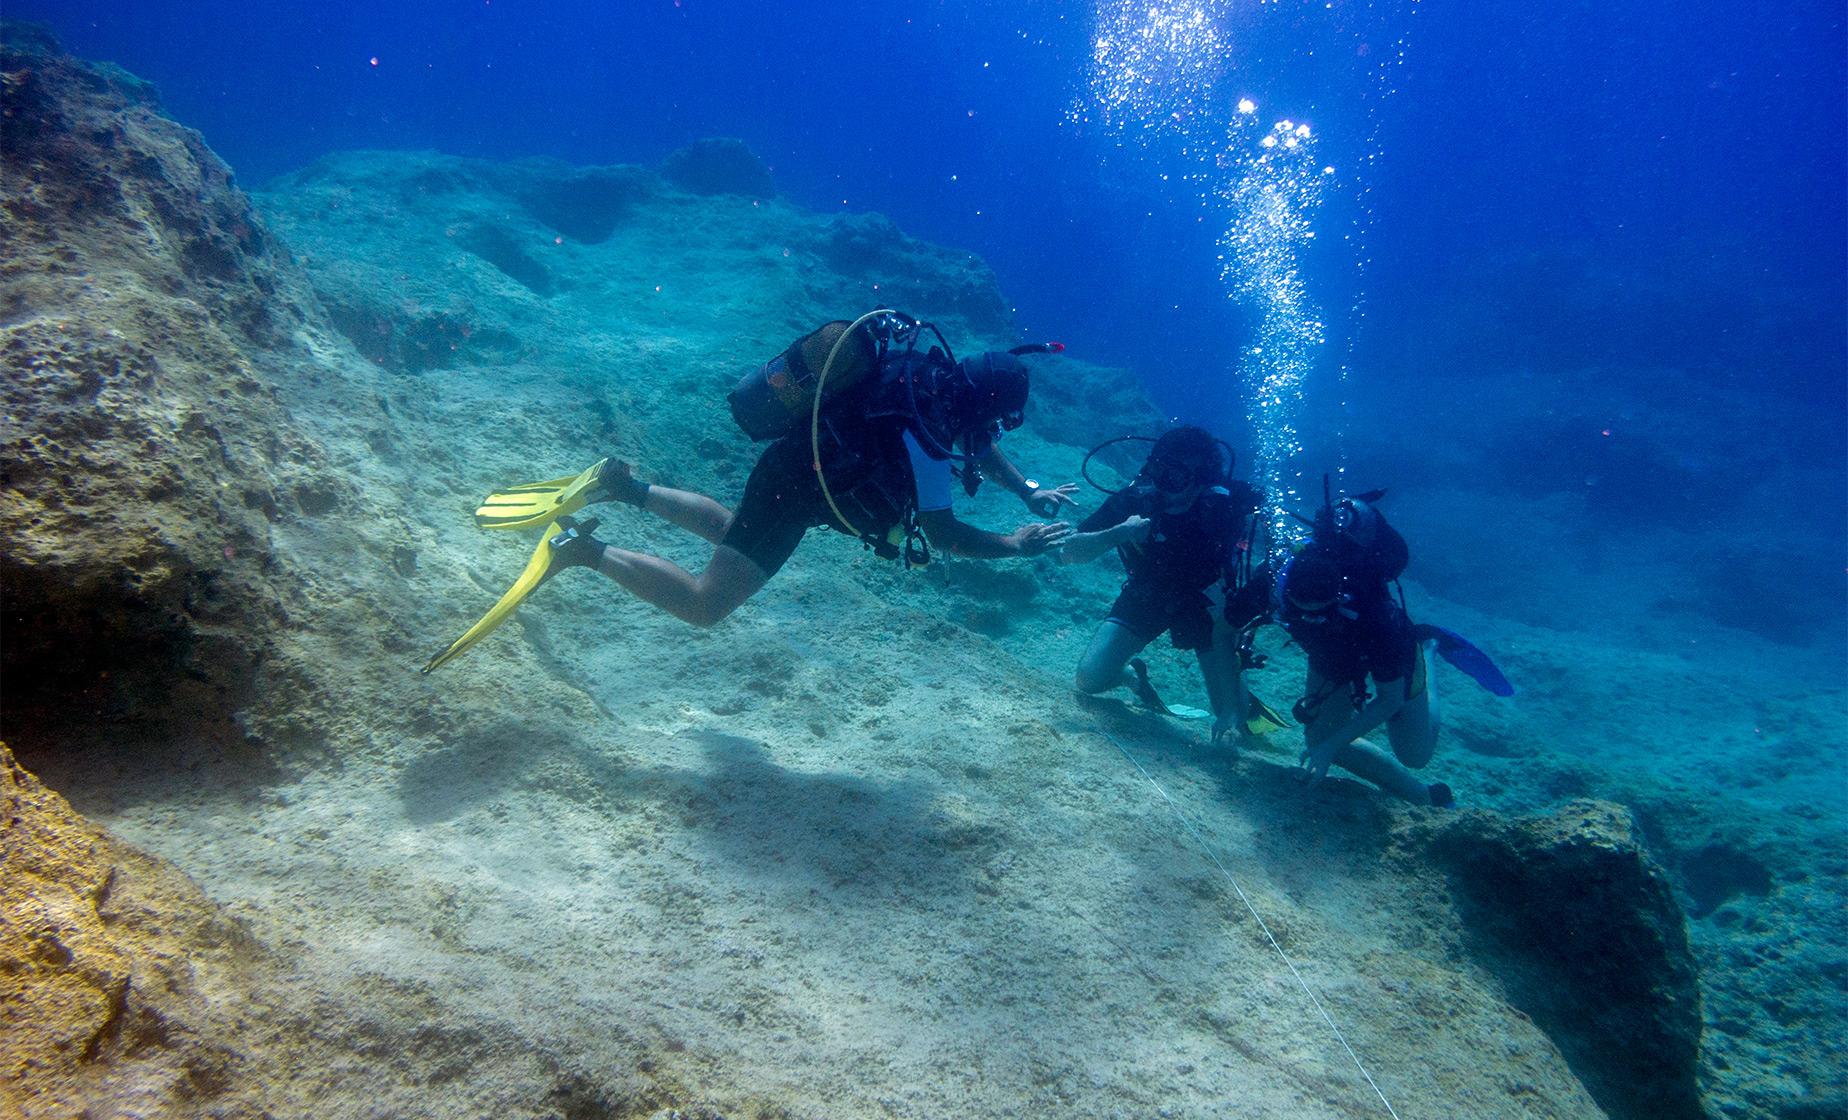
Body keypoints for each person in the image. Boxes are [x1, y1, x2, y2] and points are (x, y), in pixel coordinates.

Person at [424, 316, 1078, 672]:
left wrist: (1025, 490)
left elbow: (978, 443)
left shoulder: (927, 379)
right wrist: (1015, 547)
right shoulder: (931, 436)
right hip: (797, 488)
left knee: (736, 530)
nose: (991, 435)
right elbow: (943, 534)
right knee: (708, 604)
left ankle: (621, 487)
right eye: (994, 419)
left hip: (794, 467)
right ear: (980, 402)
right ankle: (577, 551)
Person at [1056, 426, 1274, 748]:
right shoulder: (1134, 500)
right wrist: (1118, 533)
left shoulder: (1223, 507)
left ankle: (1241, 703)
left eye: (1176, 475)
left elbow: (1264, 557)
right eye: (1158, 468)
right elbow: (1068, 553)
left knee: (1240, 726)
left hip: (1208, 608)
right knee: (1089, 679)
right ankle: (1131, 675)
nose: (1162, 482)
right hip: (1148, 594)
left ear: (1202, 478)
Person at [1275, 499, 1453, 807]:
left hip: (1387, 649)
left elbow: (1389, 700)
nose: (1309, 620)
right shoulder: (1280, 583)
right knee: (1319, 738)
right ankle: (1425, 797)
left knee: (1415, 755)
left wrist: (1330, 748)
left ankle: (1427, 648)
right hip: (1335, 652)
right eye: (1302, 613)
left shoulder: (1375, 616)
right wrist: (1327, 745)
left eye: (1319, 613)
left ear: (1338, 598)